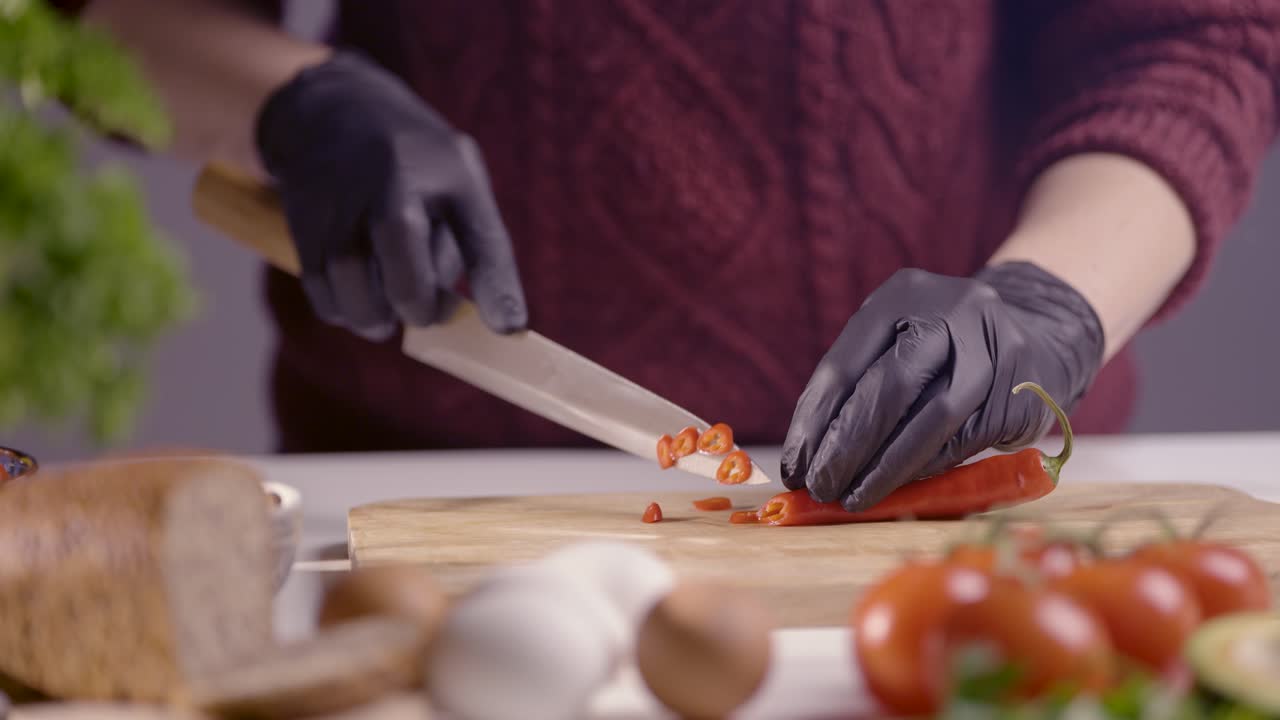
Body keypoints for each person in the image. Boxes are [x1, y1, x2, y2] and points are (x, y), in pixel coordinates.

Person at [73, 0, 1279, 511]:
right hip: (406, 494)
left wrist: (1046, 297)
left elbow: (1192, 33)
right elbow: (101, 17)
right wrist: (294, 99)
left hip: (964, 511)